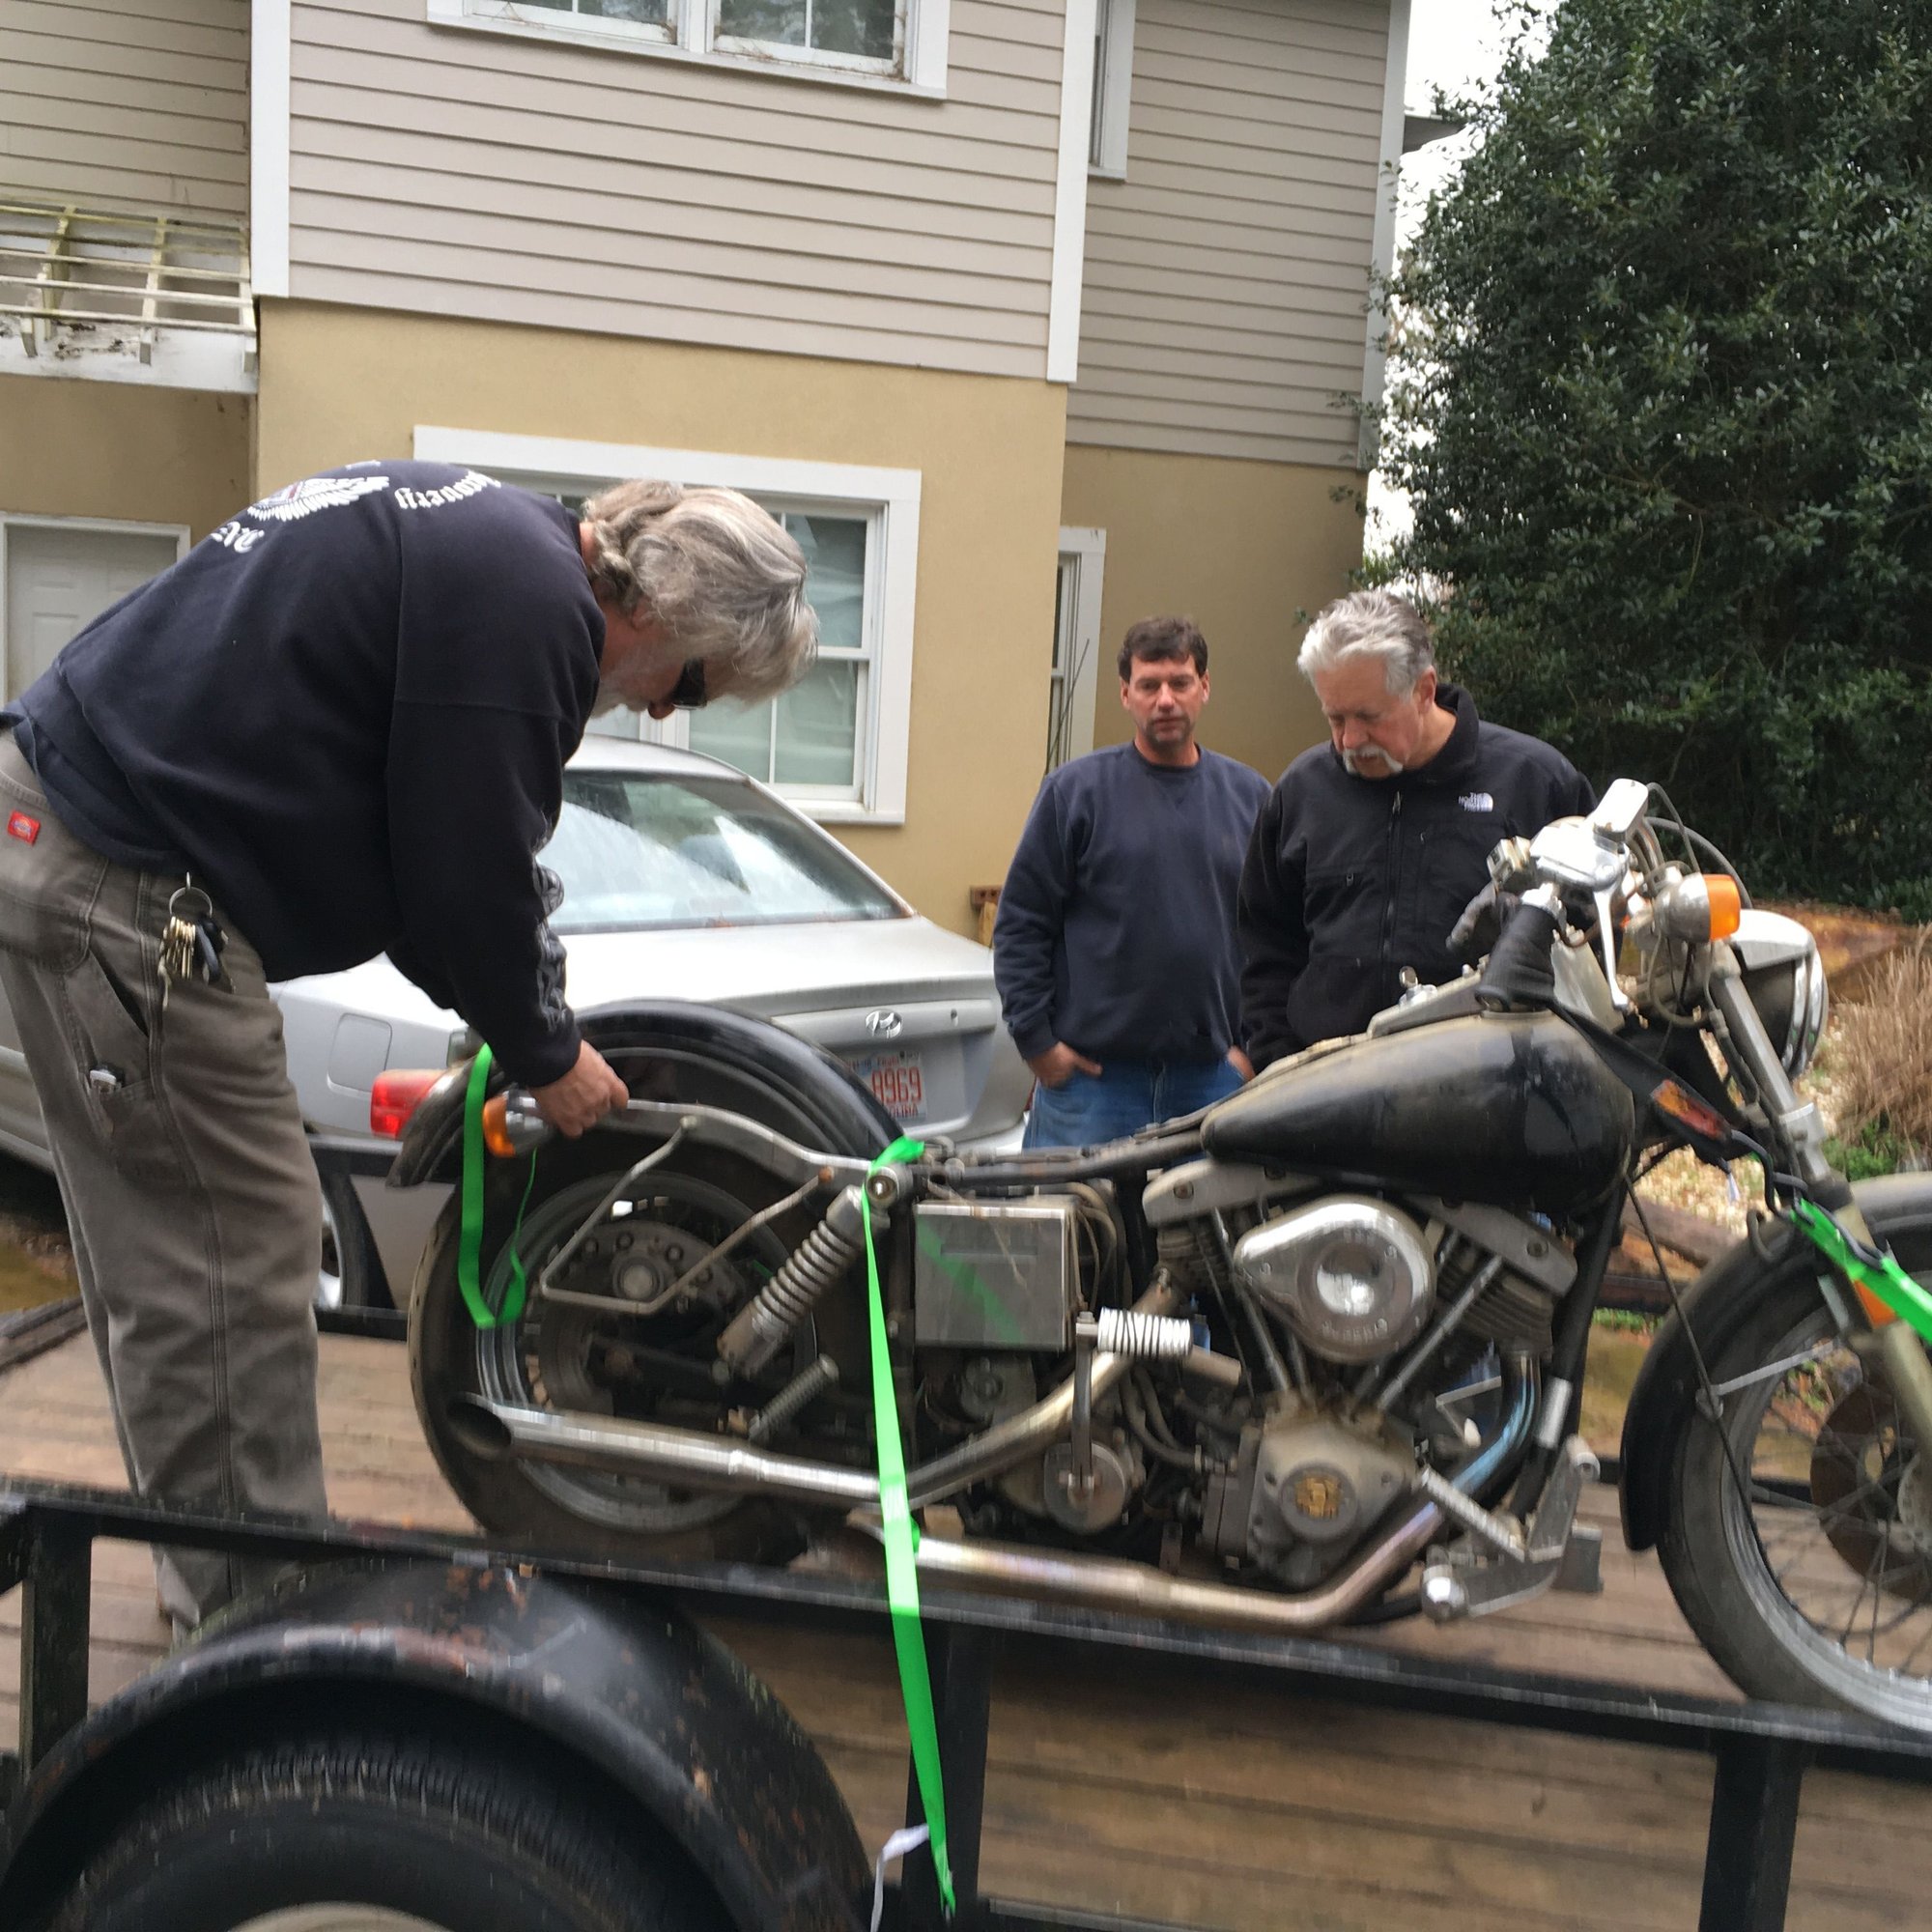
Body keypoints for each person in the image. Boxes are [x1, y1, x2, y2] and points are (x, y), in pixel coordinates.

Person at [0, 463, 818, 1628]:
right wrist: (546, 1051)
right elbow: (463, 878)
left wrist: (525, 1016)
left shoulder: (500, 548)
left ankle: (213, 1574)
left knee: (175, 1260)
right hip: (124, 872)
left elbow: (427, 847)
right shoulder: (530, 610)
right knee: (232, 1252)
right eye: (691, 682)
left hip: (75, 825)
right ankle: (249, 1632)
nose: (659, 710)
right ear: (670, 611)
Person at [1237, 588, 1593, 1070]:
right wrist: (1276, 1059)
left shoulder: (1533, 782)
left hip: (1492, 1084)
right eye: (1335, 718)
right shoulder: (1301, 793)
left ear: (1424, 690)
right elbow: (1264, 946)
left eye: (1369, 717)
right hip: (1326, 1089)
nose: (1349, 740)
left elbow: (1592, 943)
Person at [994, 616, 1270, 1147]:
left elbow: (1278, 937)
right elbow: (1021, 925)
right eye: (1149, 685)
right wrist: (1038, 1045)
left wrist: (1253, 1052)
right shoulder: (1075, 794)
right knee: (1077, 1208)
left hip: (1214, 1082)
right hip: (1091, 1088)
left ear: (1204, 686)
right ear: (1126, 694)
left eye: (1180, 683)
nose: (1165, 700)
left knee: (1211, 1210)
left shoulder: (1251, 798)